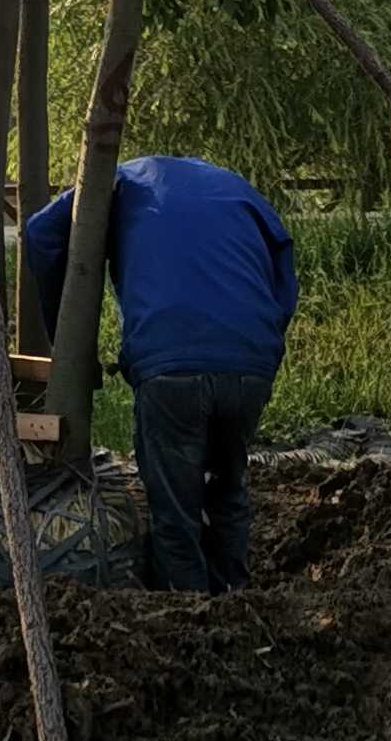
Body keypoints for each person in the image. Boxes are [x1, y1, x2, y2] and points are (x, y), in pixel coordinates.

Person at [21, 153, 298, 594]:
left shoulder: (117, 183)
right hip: (250, 363)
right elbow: (284, 266)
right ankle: (237, 604)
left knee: (174, 510)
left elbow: (39, 232)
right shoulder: (237, 187)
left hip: (171, 367)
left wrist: (68, 341)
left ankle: (188, 620)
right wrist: (260, 347)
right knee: (228, 484)